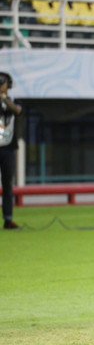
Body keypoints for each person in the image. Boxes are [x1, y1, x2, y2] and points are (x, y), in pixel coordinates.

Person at [0, 72, 22, 230]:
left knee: (8, 185)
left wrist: (3, 99)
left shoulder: (13, 100)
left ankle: (8, 219)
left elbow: (17, 111)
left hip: (8, 149)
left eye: (3, 82)